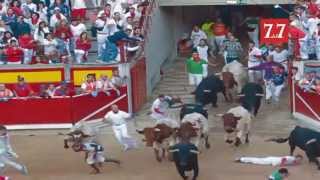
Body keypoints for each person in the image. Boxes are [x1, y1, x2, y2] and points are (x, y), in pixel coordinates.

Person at [235, 154, 303, 166]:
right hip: (273, 160)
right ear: (296, 157)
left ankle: (242, 159)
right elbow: (284, 158)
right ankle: (241, 159)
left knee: (257, 161)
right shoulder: (292, 158)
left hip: (274, 161)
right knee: (257, 161)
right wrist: (282, 164)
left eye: (300, 160)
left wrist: (296, 163)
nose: (299, 160)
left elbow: (292, 163)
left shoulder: (294, 161)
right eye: (299, 159)